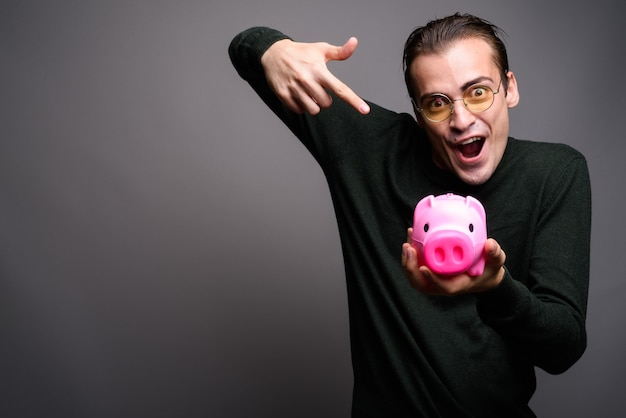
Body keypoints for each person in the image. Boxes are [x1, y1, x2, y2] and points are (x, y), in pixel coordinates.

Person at [229, 13, 591, 417]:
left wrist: (494, 288)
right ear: (418, 114)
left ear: (510, 88)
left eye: (478, 93)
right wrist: (274, 48)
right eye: (437, 103)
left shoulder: (555, 172)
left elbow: (564, 347)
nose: (461, 119)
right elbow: (247, 49)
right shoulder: (369, 148)